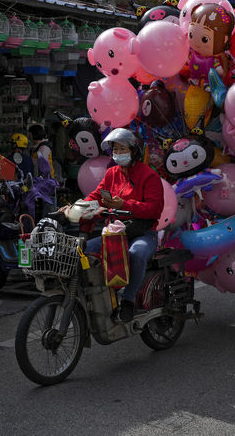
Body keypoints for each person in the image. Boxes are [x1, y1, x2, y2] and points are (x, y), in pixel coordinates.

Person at [66, 128, 164, 323]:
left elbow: (154, 209)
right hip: (114, 233)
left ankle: (127, 300)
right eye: (115, 150)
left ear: (134, 150)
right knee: (82, 251)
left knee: (135, 254)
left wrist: (124, 204)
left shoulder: (149, 175)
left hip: (143, 233)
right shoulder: (111, 173)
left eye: (122, 149)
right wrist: (75, 207)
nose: (118, 153)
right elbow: (96, 196)